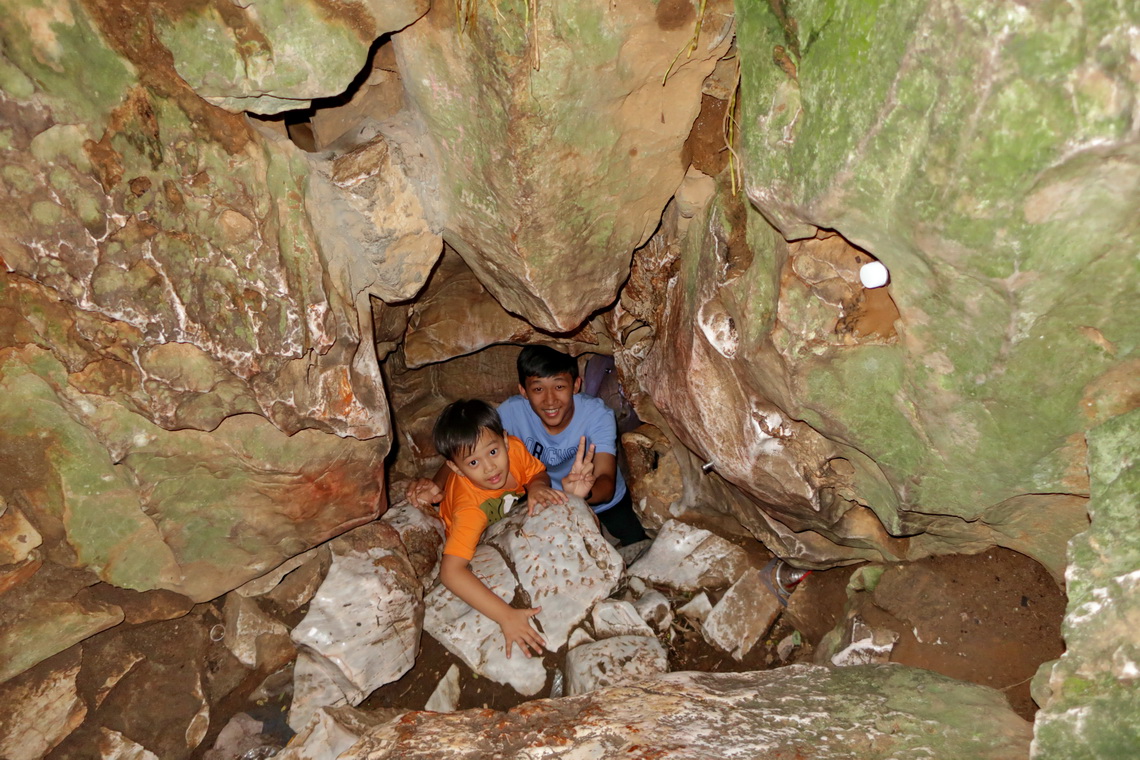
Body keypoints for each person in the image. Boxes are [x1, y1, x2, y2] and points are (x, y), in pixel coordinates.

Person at [405, 399, 595, 659]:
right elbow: (450, 572)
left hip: (507, 517)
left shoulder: (514, 450)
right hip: (478, 536)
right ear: (455, 468)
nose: (490, 467)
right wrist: (505, 616)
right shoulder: (469, 510)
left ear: (505, 441)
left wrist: (537, 487)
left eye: (493, 452)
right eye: (473, 463)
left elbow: (535, 473)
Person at [498, 346, 647, 546]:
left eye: (559, 387)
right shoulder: (511, 412)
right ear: (523, 391)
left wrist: (583, 494)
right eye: (538, 389)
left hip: (598, 498)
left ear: (576, 385)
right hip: (546, 497)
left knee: (637, 542)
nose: (550, 400)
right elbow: (472, 446)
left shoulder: (597, 415)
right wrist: (440, 483)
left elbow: (606, 480)